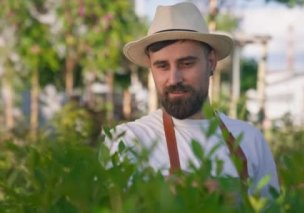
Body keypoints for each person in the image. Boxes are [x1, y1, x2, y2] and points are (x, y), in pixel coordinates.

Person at [105, 2, 279, 197]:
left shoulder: (250, 140)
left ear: (211, 62)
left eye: (186, 63)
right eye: (162, 66)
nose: (174, 79)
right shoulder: (128, 140)